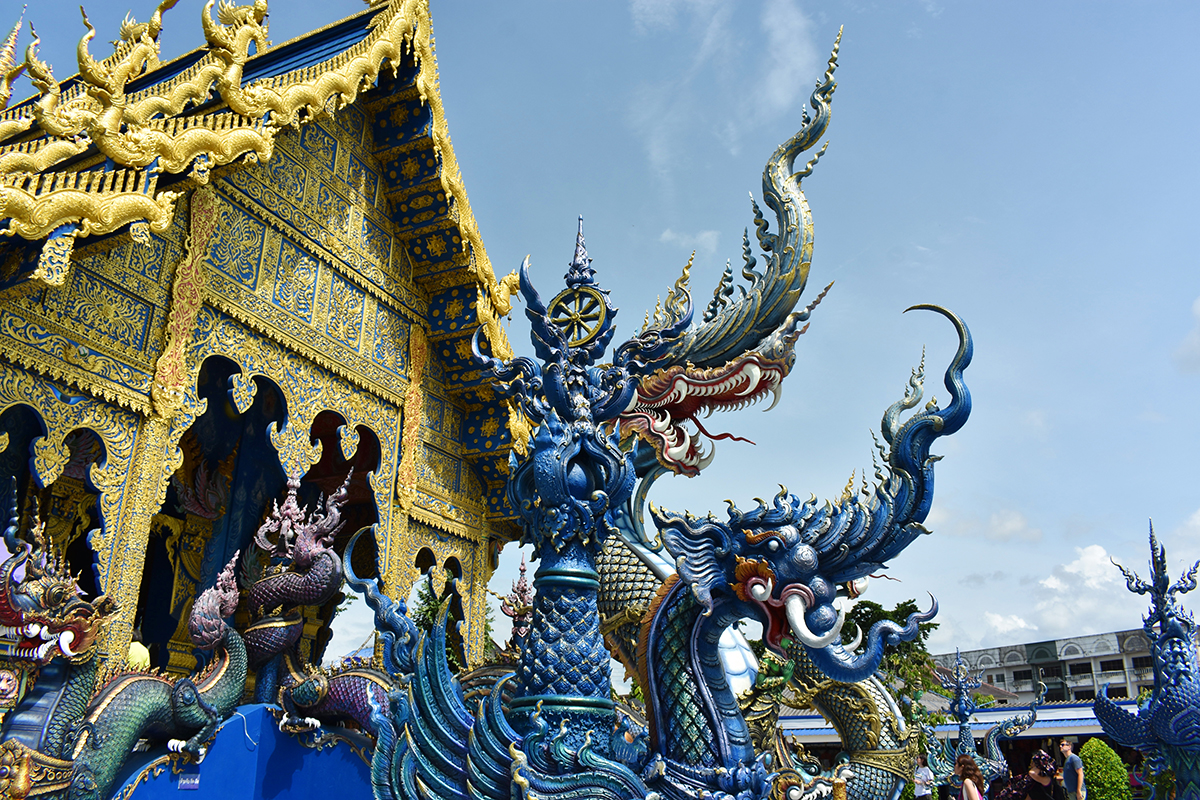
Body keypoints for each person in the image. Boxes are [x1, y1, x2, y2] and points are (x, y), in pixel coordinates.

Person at [995, 750, 1065, 800]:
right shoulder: (1031, 782)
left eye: (1033, 763)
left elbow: (1032, 773)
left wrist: (1038, 765)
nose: (1030, 765)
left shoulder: (1046, 779)